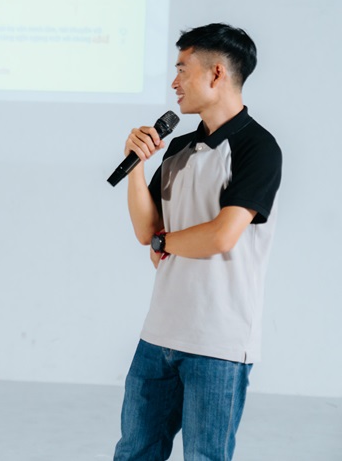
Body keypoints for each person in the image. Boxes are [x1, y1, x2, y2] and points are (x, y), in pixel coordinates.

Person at [113, 23, 282, 460]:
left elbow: (222, 235)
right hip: (159, 334)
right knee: (134, 451)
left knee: (205, 456)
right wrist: (136, 167)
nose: (174, 82)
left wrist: (164, 244)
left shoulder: (258, 148)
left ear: (216, 73)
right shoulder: (178, 149)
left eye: (182, 69)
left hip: (218, 342)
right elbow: (145, 232)